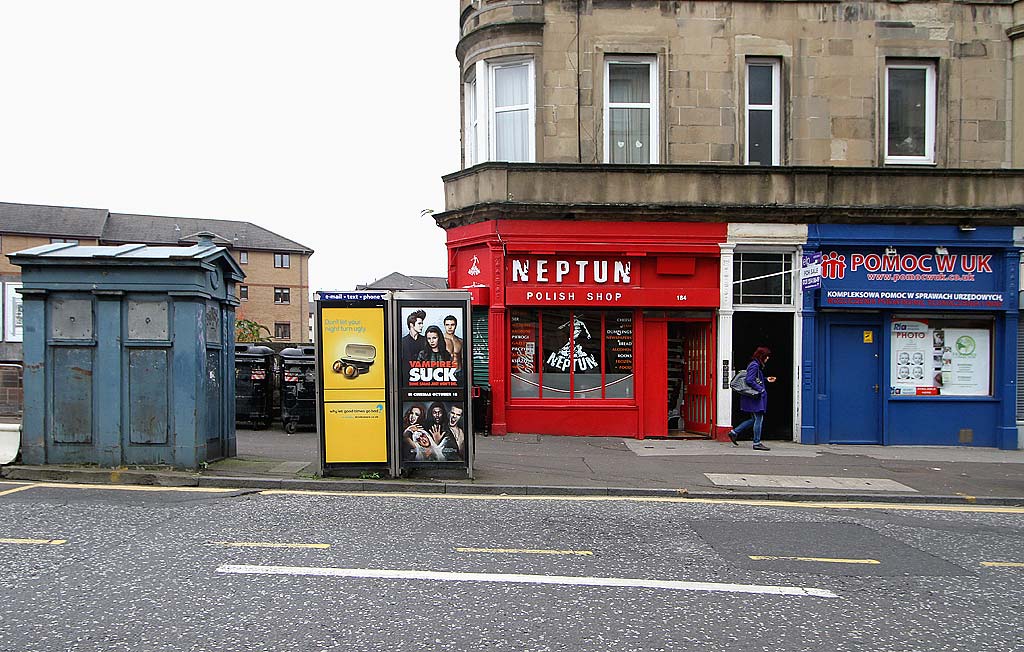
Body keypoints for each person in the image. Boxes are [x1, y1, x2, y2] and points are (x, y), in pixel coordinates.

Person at [727, 346, 775, 451]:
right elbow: (749, 380)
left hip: (753, 397)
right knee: (759, 419)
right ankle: (757, 442)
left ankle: (734, 432)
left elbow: (755, 379)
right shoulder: (754, 365)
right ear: (762, 356)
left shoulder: (754, 365)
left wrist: (766, 379)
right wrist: (761, 389)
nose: (768, 358)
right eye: (767, 356)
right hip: (755, 397)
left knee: (754, 419)